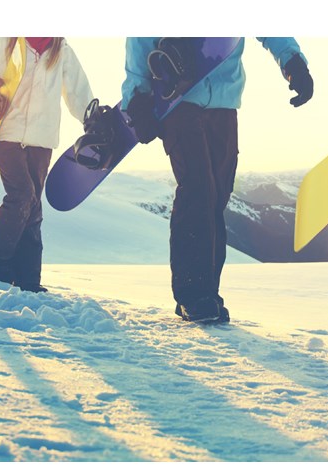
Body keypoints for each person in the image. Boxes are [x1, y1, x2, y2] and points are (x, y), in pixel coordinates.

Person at [122, 37, 313, 323]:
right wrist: (138, 96)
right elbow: (141, 34)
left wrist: (292, 62)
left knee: (217, 197)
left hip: (224, 100)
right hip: (178, 100)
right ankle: (192, 295)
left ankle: (208, 293)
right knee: (197, 189)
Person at [0, 37, 94, 292]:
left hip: (42, 140)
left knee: (33, 206)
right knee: (22, 195)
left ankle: (29, 278)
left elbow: (77, 91)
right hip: (7, 134)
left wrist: (92, 118)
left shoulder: (60, 49)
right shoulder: (8, 42)